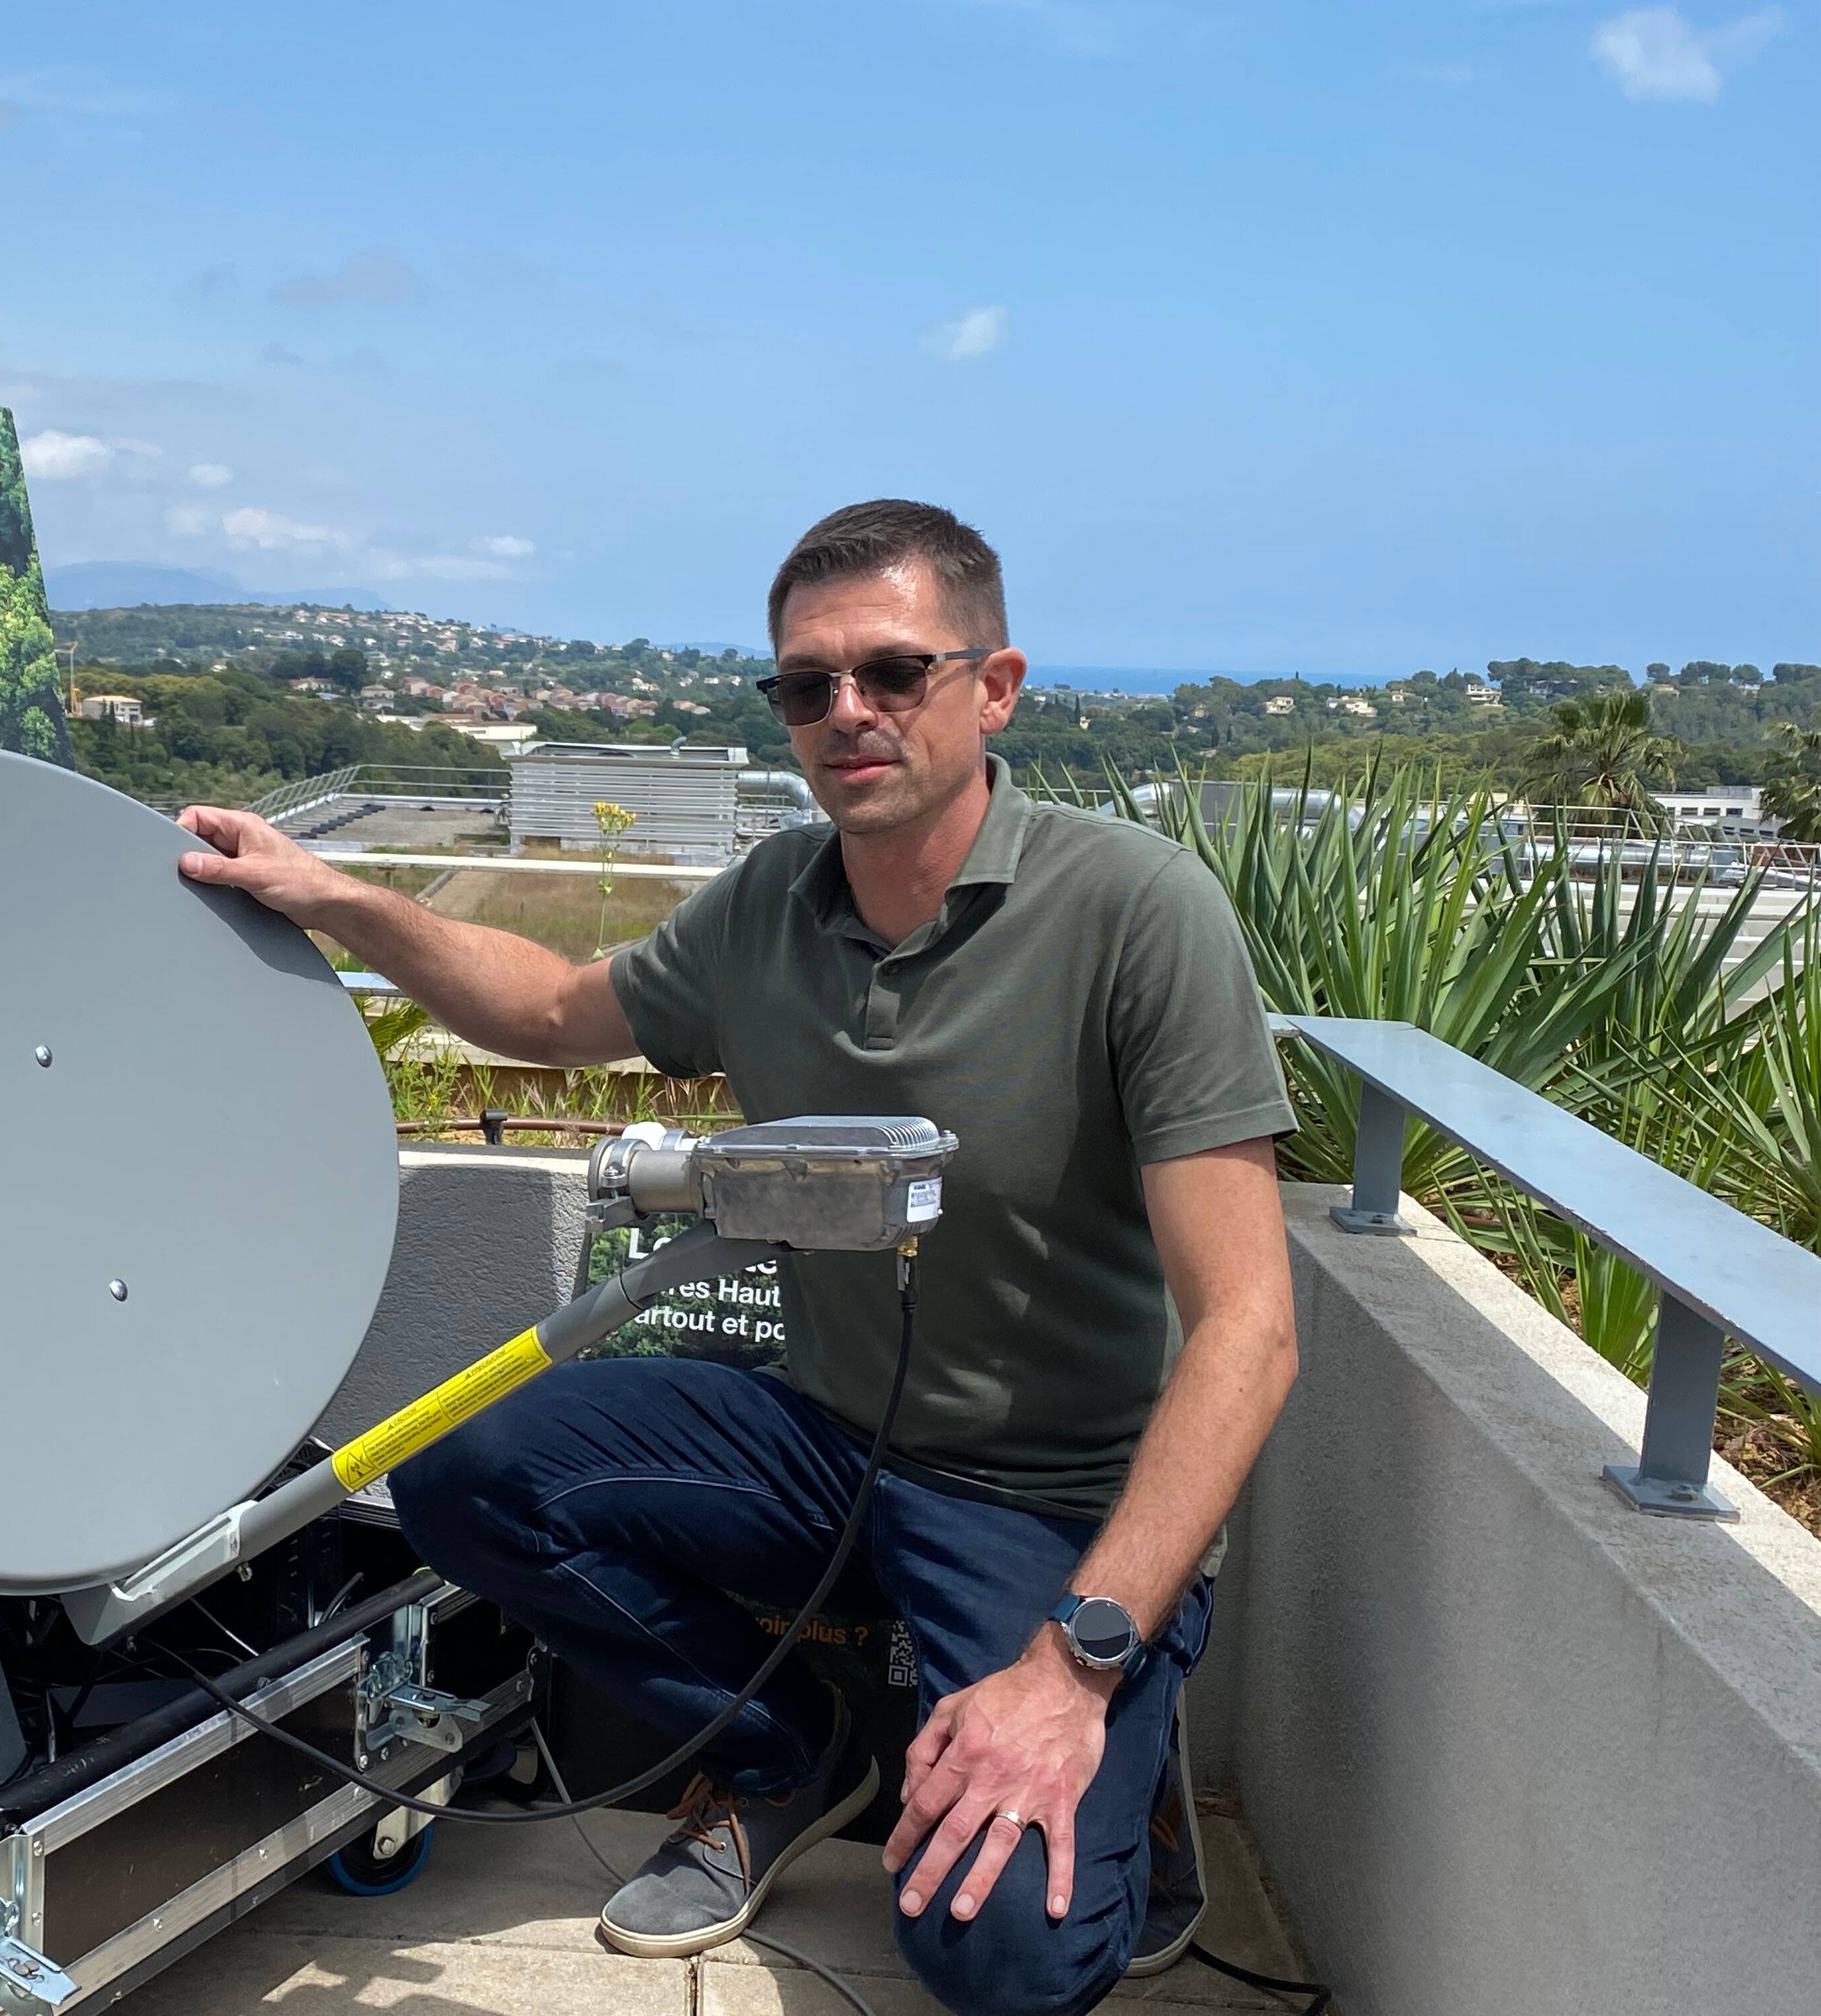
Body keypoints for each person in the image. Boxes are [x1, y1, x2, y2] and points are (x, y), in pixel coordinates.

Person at [173, 500, 1298, 2016]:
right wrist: (338, 897)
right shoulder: (778, 896)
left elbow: (1249, 1330)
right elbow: (562, 1010)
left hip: (1051, 1502)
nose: (848, 715)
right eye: (805, 685)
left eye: (895, 672)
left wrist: (1075, 1668)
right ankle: (789, 1757)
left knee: (1006, 1963)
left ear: (998, 685)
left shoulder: (1135, 912)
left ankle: (1123, 1758)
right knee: (457, 1469)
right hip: (827, 1431)